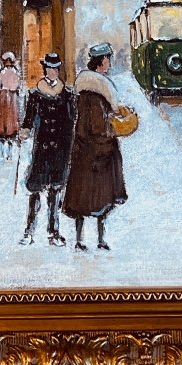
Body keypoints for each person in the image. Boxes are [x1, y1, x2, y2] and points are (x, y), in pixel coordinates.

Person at [63, 43, 128, 252]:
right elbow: (99, 125)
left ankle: (81, 239)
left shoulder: (83, 91)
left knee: (82, 197)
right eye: (108, 59)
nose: (109, 62)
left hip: (83, 151)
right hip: (98, 151)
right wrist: (113, 126)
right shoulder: (99, 93)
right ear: (101, 61)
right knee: (101, 197)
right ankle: (97, 240)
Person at [19, 52, 76, 247]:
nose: (52, 71)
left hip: (60, 149)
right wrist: (25, 130)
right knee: (35, 189)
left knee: (55, 190)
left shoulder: (67, 95)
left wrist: (70, 146)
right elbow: (28, 117)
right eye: (49, 68)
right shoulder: (35, 94)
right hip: (42, 148)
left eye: (55, 68)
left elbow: (71, 121)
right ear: (45, 70)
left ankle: (54, 232)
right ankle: (29, 230)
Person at [0, 51, 22, 160]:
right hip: (8, 96)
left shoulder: (7, 72)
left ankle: (7, 137)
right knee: (6, 117)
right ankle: (6, 138)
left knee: (8, 117)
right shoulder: (10, 71)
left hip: (7, 95)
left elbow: (0, 82)